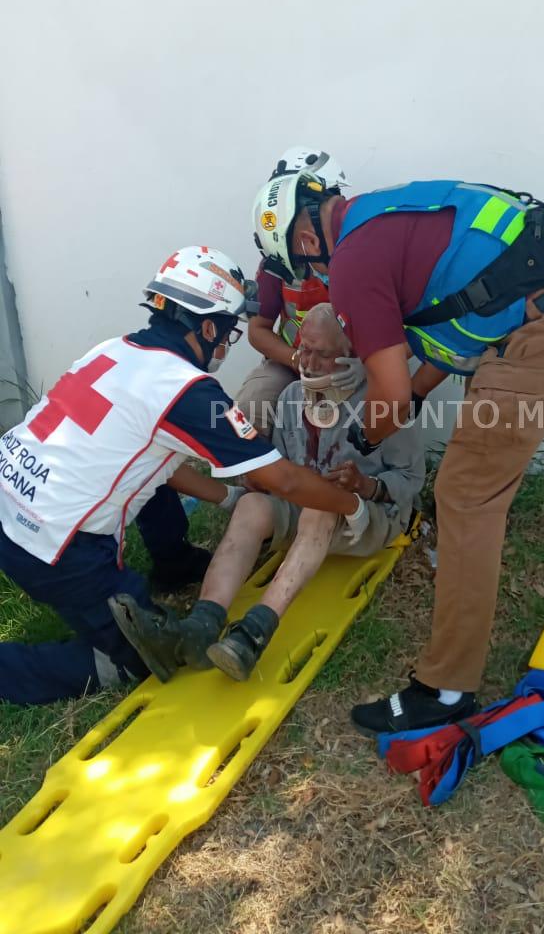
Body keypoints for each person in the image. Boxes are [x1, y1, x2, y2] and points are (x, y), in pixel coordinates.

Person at [253, 171, 544, 735]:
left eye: (306, 270)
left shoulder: (351, 264)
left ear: (303, 243)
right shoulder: (384, 213)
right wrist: (420, 392)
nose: (315, 278)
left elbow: (387, 394)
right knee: (475, 485)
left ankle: (446, 690)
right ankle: (463, 609)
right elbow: (461, 314)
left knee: (465, 495)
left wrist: (367, 437)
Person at [0, 247, 369, 704]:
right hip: (55, 547)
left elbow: (158, 464)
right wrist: (352, 505)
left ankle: (172, 564)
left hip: (9, 503)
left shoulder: (114, 350)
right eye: (227, 332)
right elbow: (287, 482)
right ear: (207, 327)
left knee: (147, 469)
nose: (225, 343)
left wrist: (230, 499)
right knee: (142, 658)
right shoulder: (186, 390)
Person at [111, 303, 425, 683]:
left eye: (321, 354)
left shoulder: (383, 401)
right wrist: (256, 483)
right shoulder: (292, 397)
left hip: (367, 520)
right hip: (309, 515)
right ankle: (200, 625)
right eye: (303, 349)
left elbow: (411, 480)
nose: (307, 362)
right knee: (254, 506)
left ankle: (253, 633)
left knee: (321, 508)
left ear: (350, 355)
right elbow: (284, 472)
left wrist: (366, 486)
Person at [234, 147, 363, 434]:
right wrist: (297, 360)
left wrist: (366, 366)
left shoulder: (363, 252)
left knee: (362, 418)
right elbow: (258, 330)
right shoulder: (276, 261)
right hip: (289, 363)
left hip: (353, 367)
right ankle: (252, 474)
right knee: (248, 411)